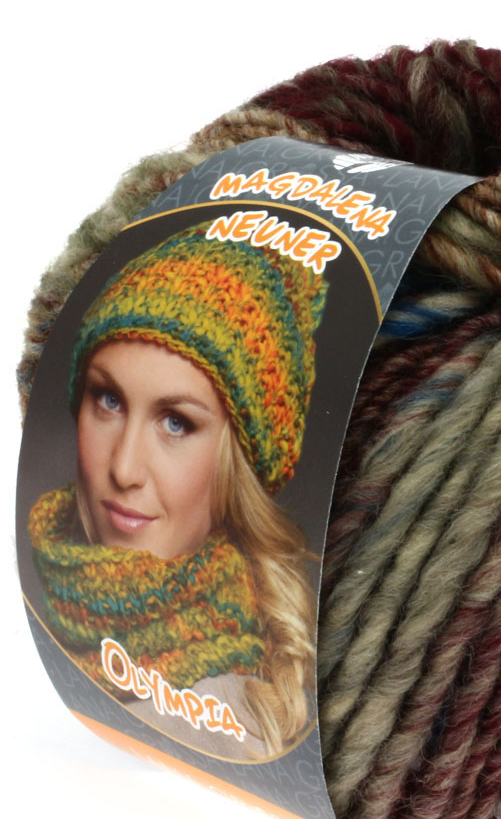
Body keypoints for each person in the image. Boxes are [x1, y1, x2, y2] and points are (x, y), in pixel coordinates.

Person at [27, 221, 328, 760]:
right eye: (108, 400)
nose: (124, 468)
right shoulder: (36, 639)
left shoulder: (232, 729)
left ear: (238, 465)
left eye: (176, 423)